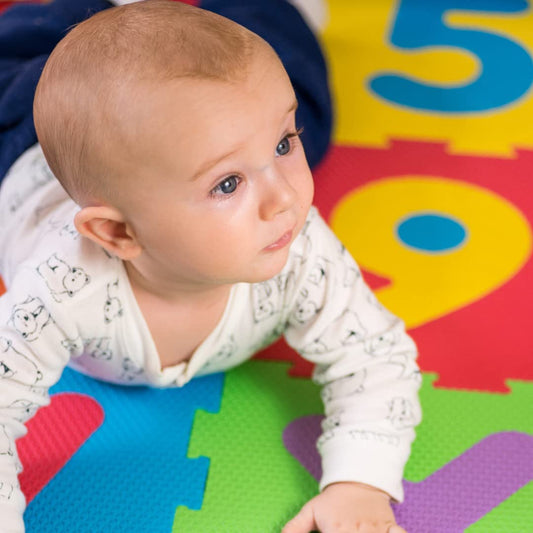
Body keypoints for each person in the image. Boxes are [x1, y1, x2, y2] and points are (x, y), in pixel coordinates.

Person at [0, 1, 421, 531]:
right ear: (118, 233)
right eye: (228, 185)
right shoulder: (60, 290)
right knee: (32, 47)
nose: (286, 199)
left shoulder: (299, 246)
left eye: (286, 145)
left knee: (283, 88)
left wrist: (359, 482)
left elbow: (376, 357)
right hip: (22, 140)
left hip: (176, 137)